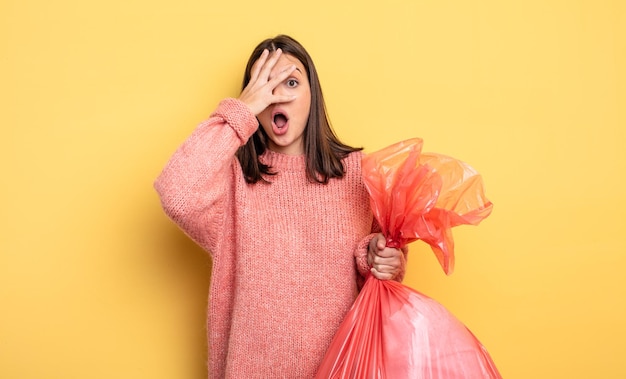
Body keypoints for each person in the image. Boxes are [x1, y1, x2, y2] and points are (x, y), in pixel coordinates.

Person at [154, 34, 406, 378]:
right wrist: (239, 111)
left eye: (290, 81)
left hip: (342, 369)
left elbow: (379, 272)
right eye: (265, 84)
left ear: (311, 95)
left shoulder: (361, 174)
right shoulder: (231, 180)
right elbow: (176, 192)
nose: (278, 95)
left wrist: (379, 258)